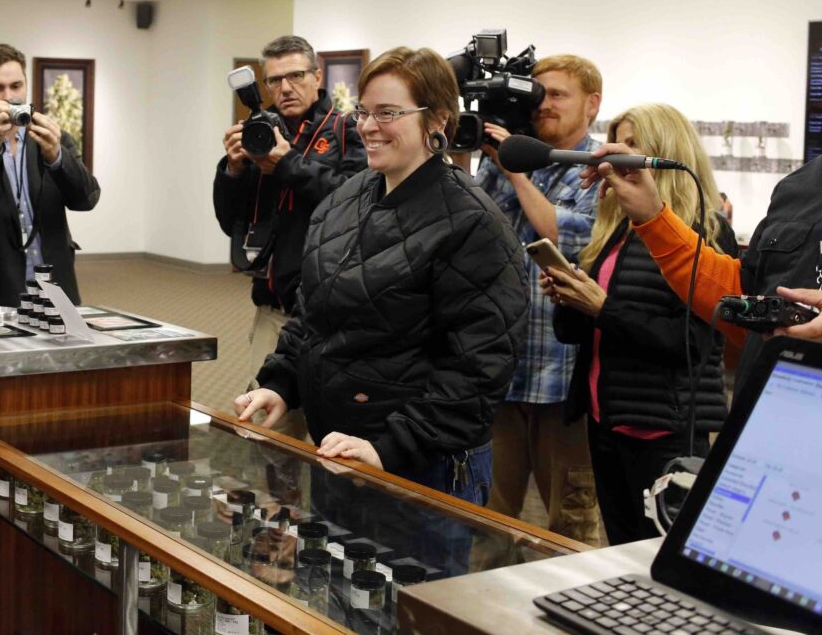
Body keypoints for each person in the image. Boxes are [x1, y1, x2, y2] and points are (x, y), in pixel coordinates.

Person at [232, 46, 529, 505]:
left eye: (388, 113)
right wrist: (281, 383)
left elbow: (479, 367)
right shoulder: (346, 198)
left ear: (437, 119)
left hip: (420, 469)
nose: (368, 126)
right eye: (364, 112)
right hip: (342, 449)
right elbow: (314, 313)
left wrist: (389, 447)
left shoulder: (473, 223)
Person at [541, 104, 735, 544]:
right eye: (615, 141)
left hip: (665, 430)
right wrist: (570, 298)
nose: (615, 152)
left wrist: (603, 309)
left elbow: (691, 343)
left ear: (664, 151)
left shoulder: (706, 231)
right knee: (620, 549)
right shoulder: (615, 228)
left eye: (632, 143)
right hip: (605, 421)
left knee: (663, 552)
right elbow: (575, 333)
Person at [578, 50, 822, 385]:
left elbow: (690, 341)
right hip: (771, 403)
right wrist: (653, 218)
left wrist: (605, 309)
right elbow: (741, 299)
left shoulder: (713, 224)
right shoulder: (800, 186)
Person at [472, 54, 604, 544]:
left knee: (569, 524)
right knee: (485, 518)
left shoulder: (598, 168)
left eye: (558, 95)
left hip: (561, 379)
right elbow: (470, 225)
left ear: (592, 104)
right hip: (502, 370)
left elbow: (568, 237)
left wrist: (515, 173)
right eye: (538, 95)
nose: (544, 105)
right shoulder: (505, 160)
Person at [213, 35, 366, 436]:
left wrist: (288, 165)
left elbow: (354, 204)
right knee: (267, 432)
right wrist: (233, 170)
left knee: (330, 434)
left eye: (295, 76)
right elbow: (231, 222)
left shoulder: (348, 131)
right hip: (274, 309)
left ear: (317, 77)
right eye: (274, 80)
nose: (285, 87)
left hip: (331, 316)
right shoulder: (260, 132)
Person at [0, 43, 100, 306]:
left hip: (55, 286)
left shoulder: (52, 139)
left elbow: (87, 199)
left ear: (26, 85)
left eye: (16, 86)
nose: (9, 97)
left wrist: (57, 157)